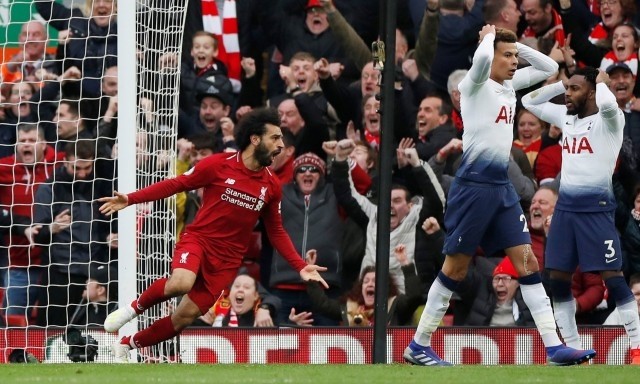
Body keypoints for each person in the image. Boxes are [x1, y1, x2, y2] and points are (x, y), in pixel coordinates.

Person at [404, 25, 595, 366]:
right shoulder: (473, 85)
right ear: (488, 56)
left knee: (528, 262)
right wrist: (488, 40)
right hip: (473, 188)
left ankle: (553, 347)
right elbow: (480, 63)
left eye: (514, 56)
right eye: (506, 57)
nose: (513, 62)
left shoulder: (509, 86)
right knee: (456, 268)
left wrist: (511, 44)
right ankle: (419, 344)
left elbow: (548, 68)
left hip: (501, 190)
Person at [98, 108, 328, 362]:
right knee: (181, 283)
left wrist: (300, 265)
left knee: (183, 318)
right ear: (255, 139)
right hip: (199, 240)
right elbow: (177, 184)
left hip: (227, 261)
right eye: (275, 138)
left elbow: (276, 231)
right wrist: (131, 198)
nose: (281, 145)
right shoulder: (218, 164)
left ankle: (126, 344)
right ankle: (132, 309)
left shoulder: (271, 186)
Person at [522, 66, 640, 364]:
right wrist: (560, 84)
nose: (568, 95)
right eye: (567, 89)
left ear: (591, 91)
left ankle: (638, 347)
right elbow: (529, 102)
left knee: (613, 278)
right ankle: (573, 349)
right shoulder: (566, 117)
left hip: (596, 212)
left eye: (575, 89)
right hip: (564, 212)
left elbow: (611, 105)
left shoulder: (610, 121)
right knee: (558, 280)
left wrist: (601, 83)